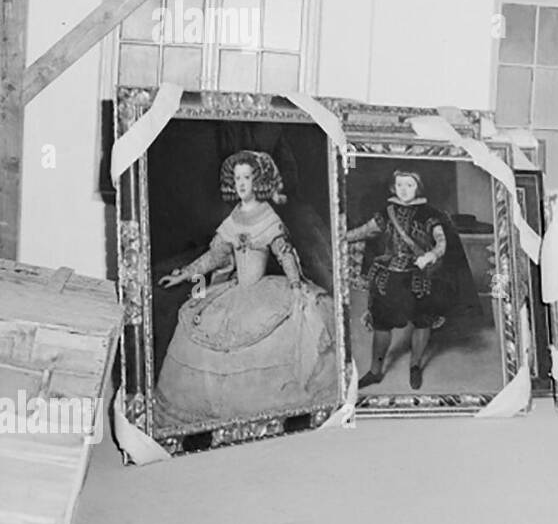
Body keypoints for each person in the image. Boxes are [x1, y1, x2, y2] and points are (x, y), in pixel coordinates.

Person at [155, 150, 336, 425]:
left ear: (257, 181)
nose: (241, 184)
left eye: (247, 177)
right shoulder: (234, 218)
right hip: (235, 290)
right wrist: (184, 275)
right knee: (201, 327)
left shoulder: (268, 218)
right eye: (237, 178)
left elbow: (284, 253)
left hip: (262, 292)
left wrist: (296, 285)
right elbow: (215, 257)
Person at [346, 169, 479, 391]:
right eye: (400, 185)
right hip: (390, 278)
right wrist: (341, 236)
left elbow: (441, 243)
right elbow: (364, 231)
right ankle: (375, 371)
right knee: (382, 324)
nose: (404, 190)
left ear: (417, 187)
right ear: (393, 187)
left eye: (409, 185)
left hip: (421, 278)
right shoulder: (386, 213)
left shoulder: (430, 214)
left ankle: (415, 366)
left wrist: (430, 255)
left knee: (422, 321)